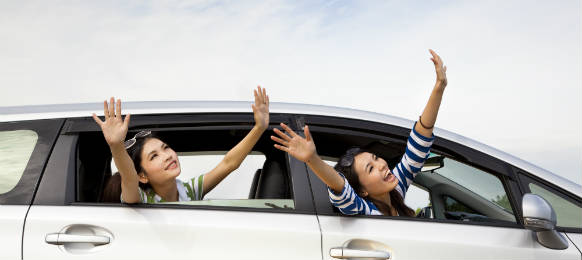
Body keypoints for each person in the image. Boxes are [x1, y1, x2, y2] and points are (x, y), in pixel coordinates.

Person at [271, 49, 447, 216]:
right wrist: (313, 159)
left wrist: (439, 87)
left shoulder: (397, 190)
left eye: (376, 158)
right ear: (362, 191)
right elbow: (339, 186)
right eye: (371, 169)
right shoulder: (363, 210)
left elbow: (419, 142)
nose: (382, 166)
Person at [94, 86, 270, 203]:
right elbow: (129, 177)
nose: (167, 155)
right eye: (154, 156)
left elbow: (228, 163)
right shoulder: (139, 197)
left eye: (166, 148)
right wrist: (116, 145)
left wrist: (259, 128)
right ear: (143, 176)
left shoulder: (188, 190)